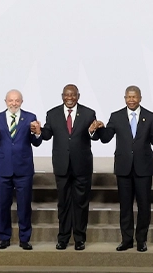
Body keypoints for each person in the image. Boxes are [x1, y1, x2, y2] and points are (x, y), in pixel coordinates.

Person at [95, 86, 153, 252]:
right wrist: (98, 129)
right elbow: (106, 138)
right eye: (128, 97)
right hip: (123, 168)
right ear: (125, 98)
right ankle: (126, 240)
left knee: (144, 206)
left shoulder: (150, 116)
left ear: (140, 98)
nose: (131, 100)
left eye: (134, 97)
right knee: (125, 206)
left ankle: (141, 240)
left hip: (143, 168)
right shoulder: (116, 116)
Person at [37, 84, 99, 251]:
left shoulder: (88, 113)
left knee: (81, 204)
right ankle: (63, 238)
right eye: (67, 95)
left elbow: (94, 136)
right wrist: (38, 131)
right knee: (63, 203)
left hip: (82, 166)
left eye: (73, 95)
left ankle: (79, 239)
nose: (69, 98)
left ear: (78, 96)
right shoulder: (52, 113)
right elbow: (47, 134)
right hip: (62, 165)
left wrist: (93, 131)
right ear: (62, 96)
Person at [0, 89, 42, 250]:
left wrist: (38, 133)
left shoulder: (30, 117)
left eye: (17, 100)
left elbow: (36, 142)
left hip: (24, 169)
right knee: (3, 205)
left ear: (21, 102)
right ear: (5, 101)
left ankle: (24, 238)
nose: (14, 103)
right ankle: (4, 237)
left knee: (24, 206)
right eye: (11, 100)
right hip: (4, 168)